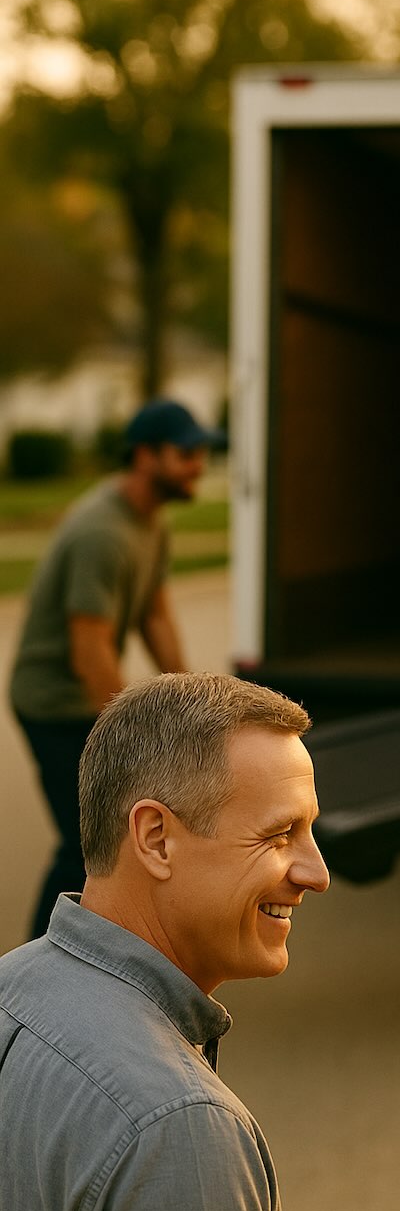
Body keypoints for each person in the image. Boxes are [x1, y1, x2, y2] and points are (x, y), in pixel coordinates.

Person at [0, 670, 330, 1211]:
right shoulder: (175, 1127)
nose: (315, 872)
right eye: (279, 835)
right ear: (154, 838)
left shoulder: (10, 991)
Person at [9, 397, 220, 939]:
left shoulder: (149, 522)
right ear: (145, 457)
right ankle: (31, 979)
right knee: (87, 843)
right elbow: (90, 648)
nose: (199, 463)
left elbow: (154, 612)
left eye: (202, 452)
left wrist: (191, 698)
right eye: (186, 453)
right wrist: (128, 734)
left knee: (110, 836)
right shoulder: (102, 532)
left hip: (79, 692)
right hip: (54, 701)